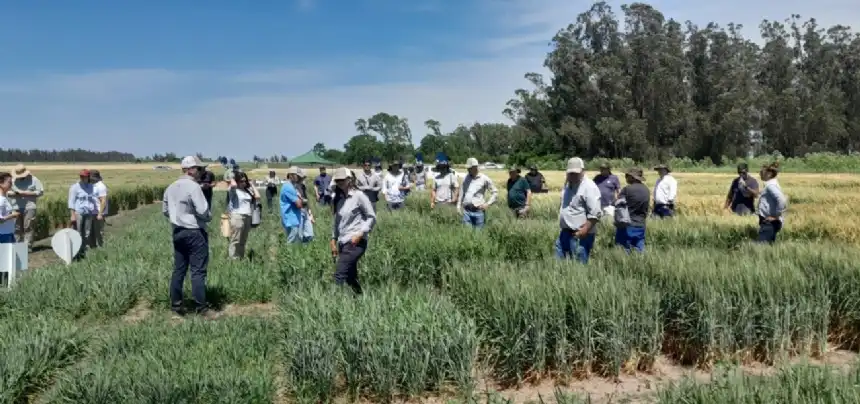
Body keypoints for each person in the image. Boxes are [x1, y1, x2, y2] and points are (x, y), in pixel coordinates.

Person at [163, 156, 213, 318]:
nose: (202, 172)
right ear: (191, 170)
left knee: (179, 270)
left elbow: (165, 210)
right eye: (200, 169)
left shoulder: (170, 187)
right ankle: (201, 308)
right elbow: (203, 211)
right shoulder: (193, 187)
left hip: (177, 232)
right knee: (198, 272)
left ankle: (176, 306)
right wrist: (207, 218)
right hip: (194, 231)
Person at [329, 167, 376, 295]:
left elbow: (371, 216)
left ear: (349, 180)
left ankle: (330, 303)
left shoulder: (359, 196)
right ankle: (360, 300)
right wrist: (333, 239)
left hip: (356, 241)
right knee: (351, 277)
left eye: (342, 180)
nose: (340, 182)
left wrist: (361, 233)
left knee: (340, 273)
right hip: (343, 242)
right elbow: (337, 222)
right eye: (337, 180)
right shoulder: (338, 199)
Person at [557, 157, 602, 263]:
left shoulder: (589, 187)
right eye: (570, 173)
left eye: (576, 173)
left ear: (583, 171)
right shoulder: (568, 185)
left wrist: (585, 230)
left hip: (580, 235)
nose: (573, 175)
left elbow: (596, 213)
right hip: (564, 233)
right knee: (559, 265)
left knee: (578, 267)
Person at [749, 162, 788, 244]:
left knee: (759, 249)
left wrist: (775, 216)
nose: (759, 174)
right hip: (770, 222)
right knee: (768, 247)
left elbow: (781, 199)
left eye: (762, 172)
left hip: (769, 223)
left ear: (769, 174)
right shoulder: (771, 184)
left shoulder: (771, 186)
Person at [8, 164, 43, 252]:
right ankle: (17, 246)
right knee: (16, 228)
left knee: (28, 226)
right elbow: (6, 191)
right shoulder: (12, 180)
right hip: (15, 207)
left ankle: (27, 247)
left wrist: (25, 193)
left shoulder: (34, 180)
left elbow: (40, 192)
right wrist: (14, 194)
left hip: (30, 206)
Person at [614, 168, 649, 253]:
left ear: (633, 177)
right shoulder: (646, 189)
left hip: (627, 225)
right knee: (639, 250)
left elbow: (618, 204)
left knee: (623, 251)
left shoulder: (627, 189)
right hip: (641, 224)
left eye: (627, 176)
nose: (626, 178)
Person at [226, 171, 261, 259]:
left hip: (248, 217)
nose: (244, 183)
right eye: (241, 181)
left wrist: (251, 184)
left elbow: (257, 196)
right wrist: (232, 178)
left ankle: (240, 258)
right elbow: (233, 185)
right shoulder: (233, 190)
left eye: (245, 181)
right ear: (237, 181)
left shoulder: (247, 191)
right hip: (237, 216)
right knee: (235, 239)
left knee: (243, 240)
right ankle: (233, 259)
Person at [457, 158, 498, 229]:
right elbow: (461, 192)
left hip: (478, 212)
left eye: (469, 168)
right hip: (466, 211)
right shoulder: (465, 178)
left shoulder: (484, 178)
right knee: (466, 235)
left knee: (478, 236)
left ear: (475, 167)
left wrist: (488, 204)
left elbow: (495, 192)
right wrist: (458, 206)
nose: (468, 170)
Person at [67, 169, 98, 258]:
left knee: (87, 232)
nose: (82, 178)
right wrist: (72, 215)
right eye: (81, 176)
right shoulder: (74, 187)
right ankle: (77, 251)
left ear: (88, 177)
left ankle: (85, 250)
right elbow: (71, 202)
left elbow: (93, 199)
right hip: (79, 213)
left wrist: (95, 211)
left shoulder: (91, 187)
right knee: (78, 232)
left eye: (84, 176)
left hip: (89, 212)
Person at [280, 167, 305, 244]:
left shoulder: (290, 186)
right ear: (291, 175)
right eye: (297, 176)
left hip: (292, 218)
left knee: (294, 240)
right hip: (291, 218)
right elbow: (299, 204)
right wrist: (302, 200)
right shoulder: (289, 187)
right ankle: (287, 255)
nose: (299, 178)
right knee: (292, 241)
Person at [0, 172, 21, 244]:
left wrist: (11, 213)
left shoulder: (5, 198)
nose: (11, 184)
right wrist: (13, 215)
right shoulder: (1, 200)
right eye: (9, 182)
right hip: (3, 235)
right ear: (1, 183)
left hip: (8, 233)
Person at [296, 168, 315, 242]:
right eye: (302, 177)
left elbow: (306, 200)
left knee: (309, 232)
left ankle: (308, 247)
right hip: (299, 210)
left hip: (305, 210)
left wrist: (310, 213)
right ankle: (299, 249)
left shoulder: (303, 186)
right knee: (300, 232)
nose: (303, 178)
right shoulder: (294, 186)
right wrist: (303, 200)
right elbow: (298, 200)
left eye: (304, 177)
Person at [91, 170, 108, 248]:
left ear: (94, 177)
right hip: (92, 212)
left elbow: (103, 201)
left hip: (98, 213)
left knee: (99, 232)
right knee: (93, 232)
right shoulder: (93, 185)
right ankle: (94, 247)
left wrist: (100, 214)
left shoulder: (101, 186)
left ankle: (101, 247)